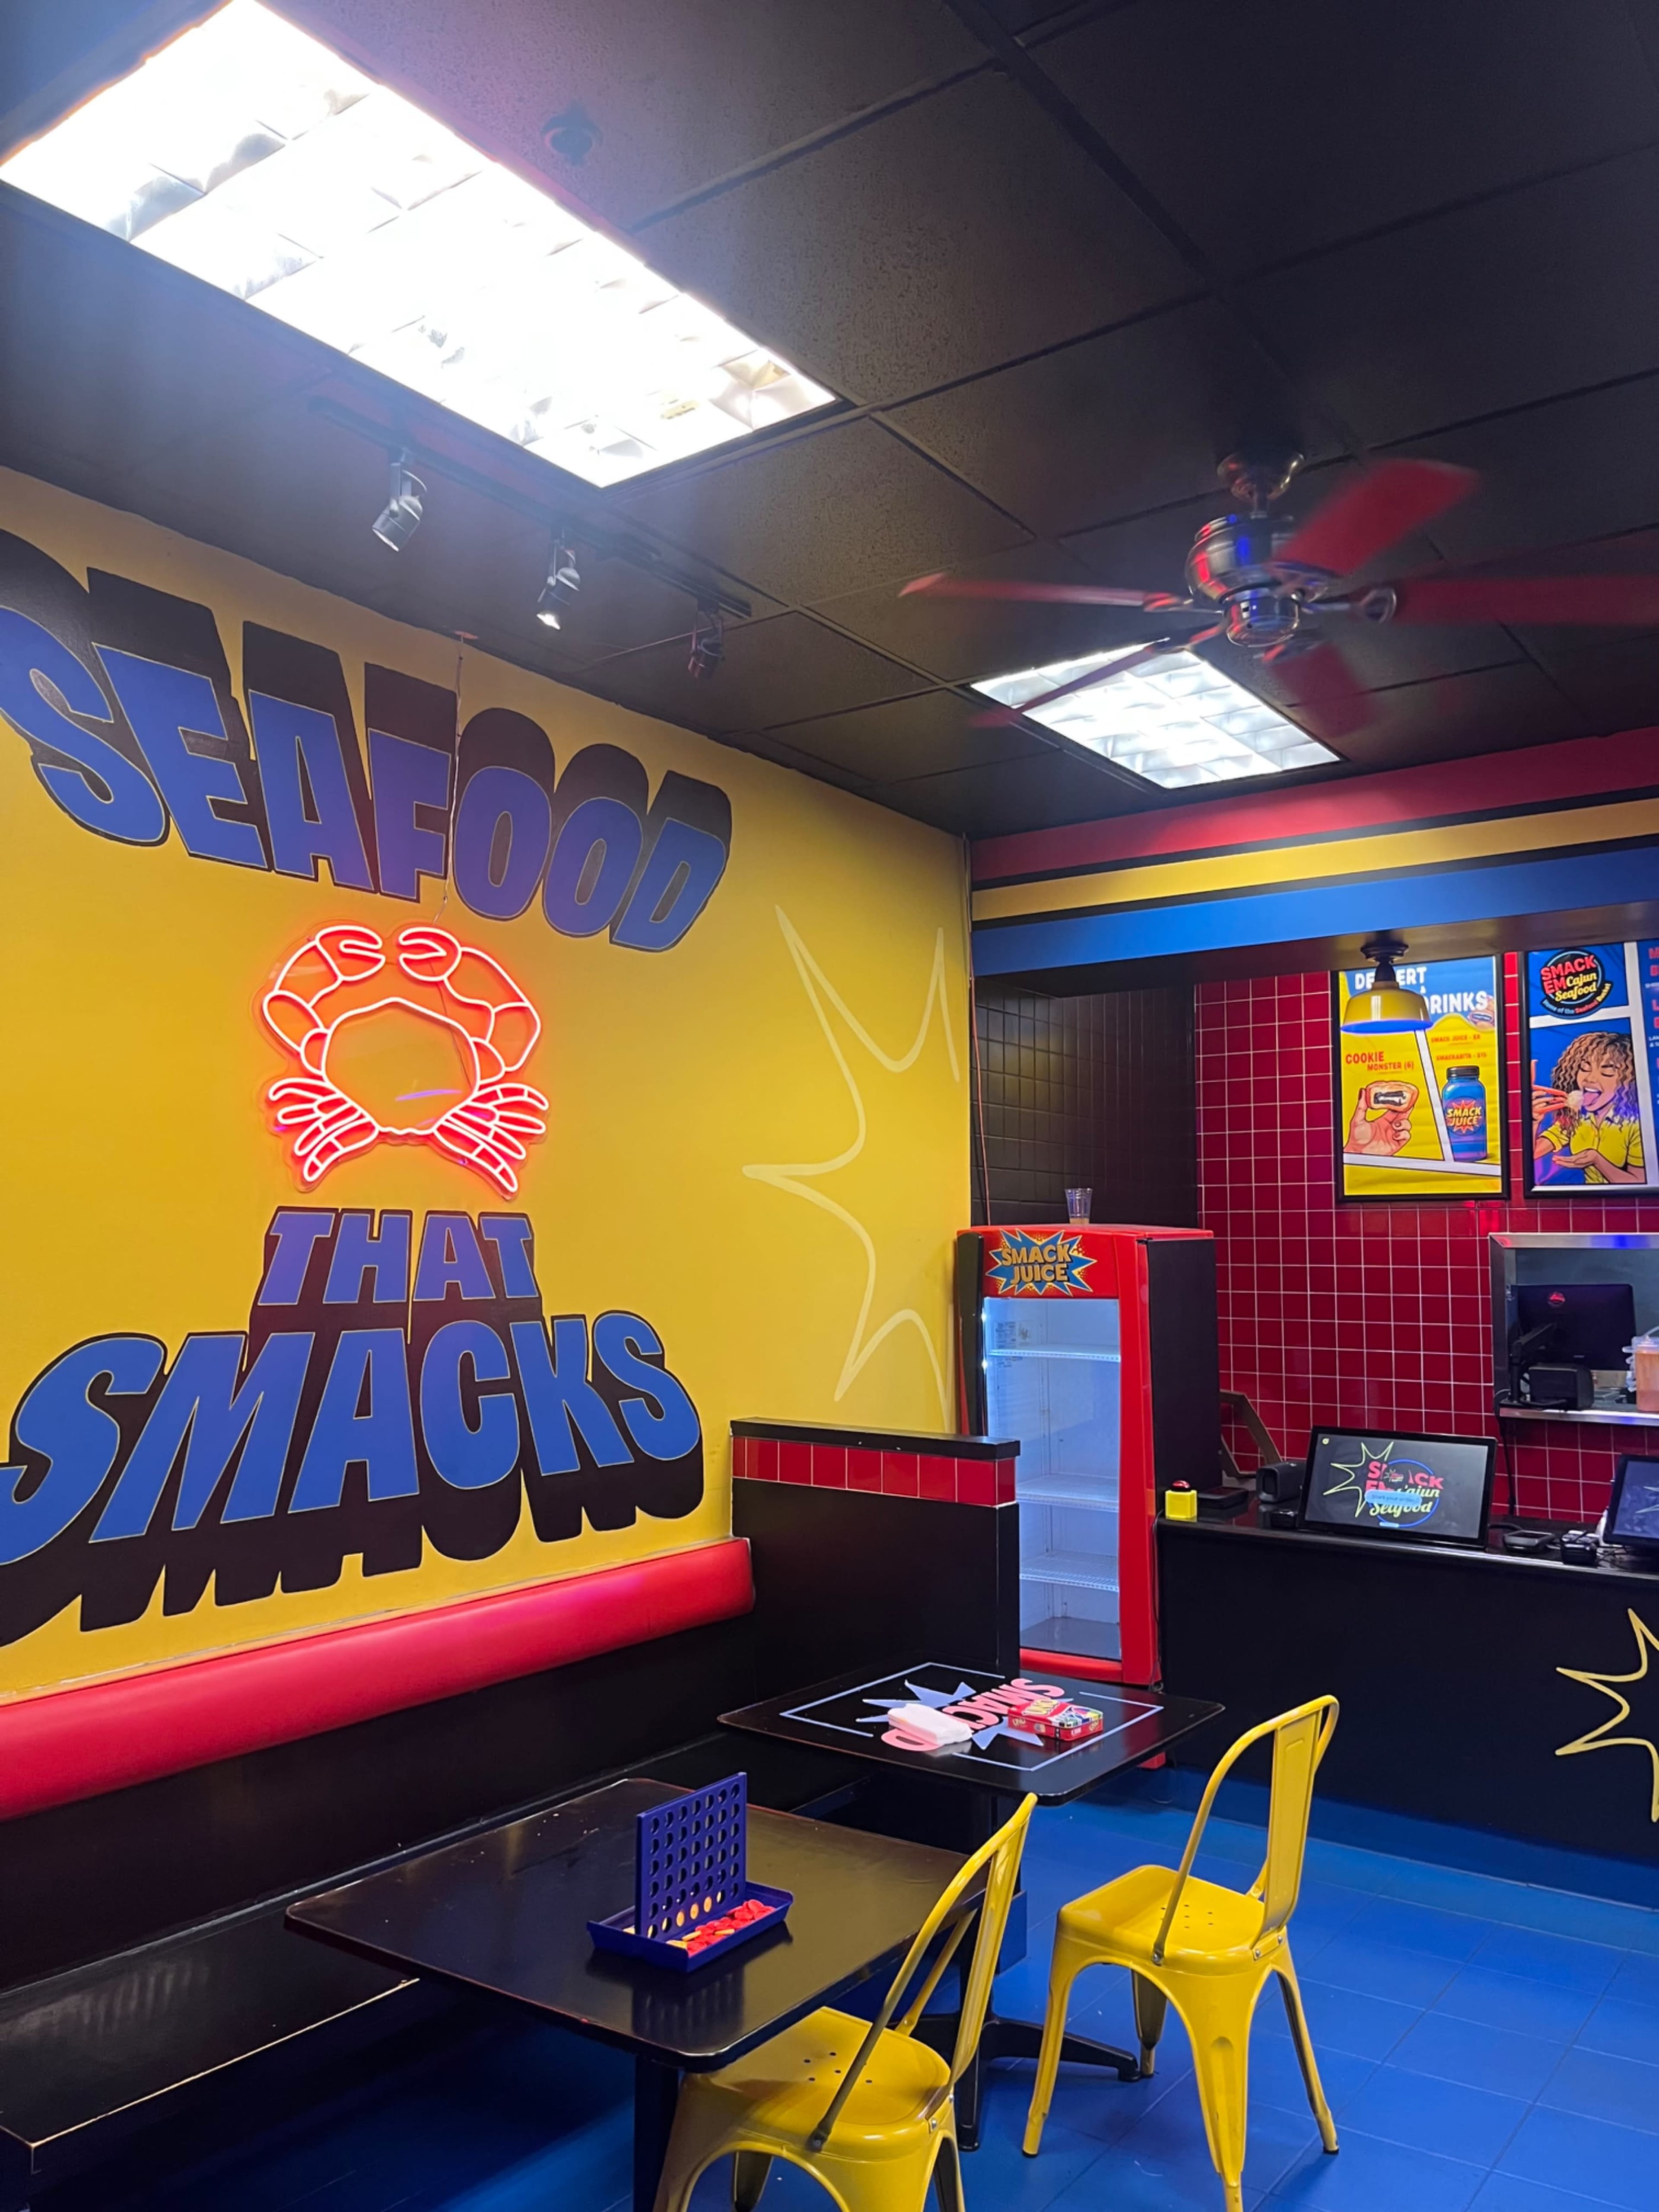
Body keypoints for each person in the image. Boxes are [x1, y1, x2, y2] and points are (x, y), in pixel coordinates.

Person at [1532, 1032, 1646, 1185]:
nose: (1590, 1079)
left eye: (1607, 1071)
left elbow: (1640, 1183)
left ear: (1627, 1079)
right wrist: (1534, 1122)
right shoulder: (1577, 1118)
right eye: (1585, 1068)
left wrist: (1596, 1160)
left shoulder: (1636, 1125)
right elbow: (1532, 1154)